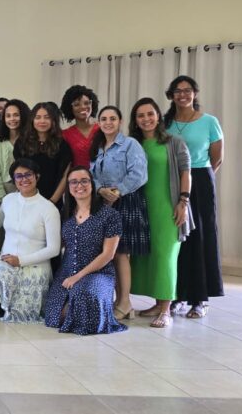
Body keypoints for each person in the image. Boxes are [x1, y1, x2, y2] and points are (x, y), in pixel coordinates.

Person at [129, 97, 193, 328]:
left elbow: (186, 172)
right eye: (141, 115)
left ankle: (166, 310)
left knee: (166, 257)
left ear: (158, 116)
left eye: (150, 114)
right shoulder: (132, 144)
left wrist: (183, 201)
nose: (146, 119)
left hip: (168, 208)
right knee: (149, 256)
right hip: (141, 208)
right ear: (135, 120)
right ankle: (158, 304)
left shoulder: (174, 142)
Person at [164, 75, 223, 319]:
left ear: (195, 93)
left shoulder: (209, 121)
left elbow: (217, 158)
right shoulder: (165, 123)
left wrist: (195, 180)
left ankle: (200, 299)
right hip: (171, 181)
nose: (183, 94)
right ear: (171, 95)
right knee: (177, 239)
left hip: (200, 179)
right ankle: (177, 296)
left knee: (201, 237)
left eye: (187, 90)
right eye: (177, 91)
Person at [44, 167, 128, 335]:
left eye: (84, 181)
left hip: (98, 273)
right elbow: (58, 245)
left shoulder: (109, 215)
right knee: (53, 316)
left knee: (82, 296)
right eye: (74, 182)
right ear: (68, 187)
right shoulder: (65, 213)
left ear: (92, 184)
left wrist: (78, 276)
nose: (79, 186)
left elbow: (108, 255)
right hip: (67, 271)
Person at [90, 106, 149, 321]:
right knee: (109, 252)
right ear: (99, 123)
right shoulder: (98, 147)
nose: (108, 122)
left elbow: (139, 174)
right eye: (104, 119)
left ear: (120, 121)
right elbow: (92, 174)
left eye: (112, 118)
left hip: (125, 201)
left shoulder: (130, 144)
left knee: (120, 252)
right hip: (103, 203)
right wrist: (99, 189)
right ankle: (118, 301)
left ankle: (125, 303)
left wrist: (117, 192)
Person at [0, 159, 60, 323]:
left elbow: (54, 249)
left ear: (37, 176)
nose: (24, 179)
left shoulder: (49, 209)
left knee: (22, 314)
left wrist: (21, 260)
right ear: (14, 180)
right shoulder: (8, 200)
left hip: (35, 265)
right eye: (19, 176)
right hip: (7, 259)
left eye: (28, 175)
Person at [0, 99, 30, 258]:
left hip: (26, 193)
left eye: (16, 115)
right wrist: (2, 197)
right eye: (8, 115)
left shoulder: (29, 140)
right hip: (1, 193)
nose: (12, 119)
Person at [13, 102, 72, 204]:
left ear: (53, 120)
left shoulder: (62, 145)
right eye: (38, 117)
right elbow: (19, 173)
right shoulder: (22, 143)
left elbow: (65, 177)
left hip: (52, 200)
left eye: (47, 117)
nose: (42, 121)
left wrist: (52, 201)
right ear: (32, 120)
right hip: (26, 199)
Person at [60, 85, 99, 168]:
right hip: (77, 175)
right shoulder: (65, 135)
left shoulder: (102, 129)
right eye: (77, 104)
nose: (83, 107)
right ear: (70, 108)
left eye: (86, 103)